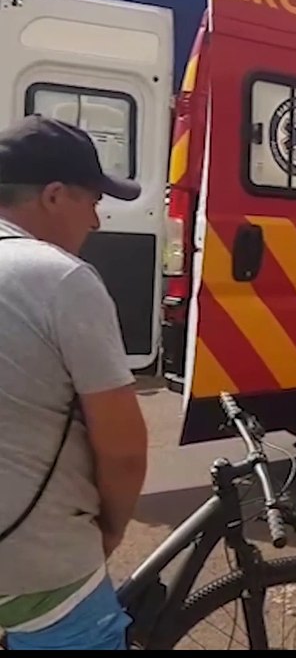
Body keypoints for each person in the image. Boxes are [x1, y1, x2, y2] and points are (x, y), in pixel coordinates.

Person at [0, 115, 149, 649]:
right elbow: (124, 450)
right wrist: (108, 532)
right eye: (93, 202)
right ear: (55, 196)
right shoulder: (60, 279)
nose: (98, 222)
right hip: (36, 564)